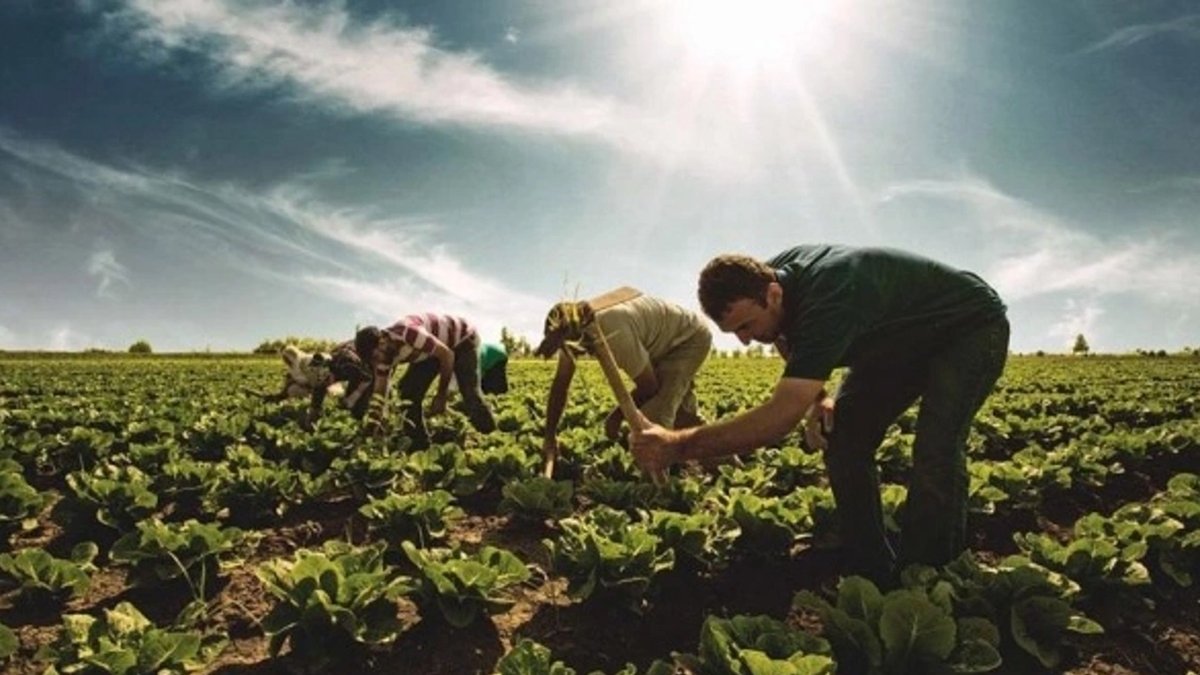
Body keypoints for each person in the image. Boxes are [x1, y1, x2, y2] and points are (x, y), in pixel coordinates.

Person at [629, 245, 1009, 585]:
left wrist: (677, 446)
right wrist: (819, 398)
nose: (745, 340)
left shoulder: (833, 294)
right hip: (892, 344)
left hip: (967, 329)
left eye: (746, 325)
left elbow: (780, 416)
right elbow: (783, 336)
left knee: (937, 446)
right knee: (843, 440)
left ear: (773, 294)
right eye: (733, 333)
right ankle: (871, 567)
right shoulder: (771, 280)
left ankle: (932, 577)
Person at [535, 288, 712, 478]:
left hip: (687, 340)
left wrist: (616, 416)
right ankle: (728, 461)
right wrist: (549, 436)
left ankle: (656, 492)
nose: (578, 355)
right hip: (662, 342)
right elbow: (561, 385)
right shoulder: (574, 330)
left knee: (655, 415)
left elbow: (649, 387)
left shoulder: (611, 331)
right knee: (684, 416)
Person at [354, 313, 497, 449]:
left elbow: (447, 356)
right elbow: (379, 393)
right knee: (407, 392)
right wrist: (373, 425)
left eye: (377, 353)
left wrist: (441, 395)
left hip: (463, 338)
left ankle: (491, 436)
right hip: (432, 350)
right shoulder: (383, 357)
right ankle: (420, 445)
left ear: (383, 339)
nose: (378, 360)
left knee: (469, 392)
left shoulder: (408, 333)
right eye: (373, 359)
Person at [264, 343, 373, 429]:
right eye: (319, 381)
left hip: (368, 361)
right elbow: (315, 406)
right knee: (345, 403)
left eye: (323, 379)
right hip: (345, 373)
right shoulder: (319, 382)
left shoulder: (347, 364)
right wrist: (310, 422)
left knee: (357, 407)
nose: (321, 383)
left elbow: (368, 377)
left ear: (327, 372)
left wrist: (353, 397)